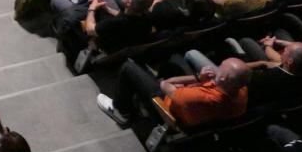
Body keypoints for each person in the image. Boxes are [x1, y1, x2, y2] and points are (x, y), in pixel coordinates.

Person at [97, 56, 251, 128]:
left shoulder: (200, 97)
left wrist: (197, 77)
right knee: (171, 67)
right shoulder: (241, 92)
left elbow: (165, 85)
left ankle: (121, 111)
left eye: (220, 67)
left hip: (167, 110)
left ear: (223, 78)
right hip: (197, 112)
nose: (217, 66)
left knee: (128, 68)